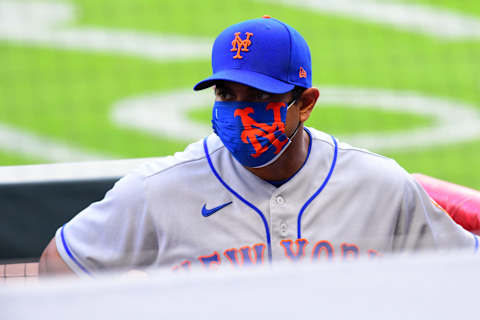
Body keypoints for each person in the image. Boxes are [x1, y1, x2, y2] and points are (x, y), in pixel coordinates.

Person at [39, 16, 477, 276]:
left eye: (260, 98)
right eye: (226, 95)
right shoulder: (161, 189)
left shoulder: (379, 185)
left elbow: (464, 274)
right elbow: (61, 264)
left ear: (304, 104)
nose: (239, 110)